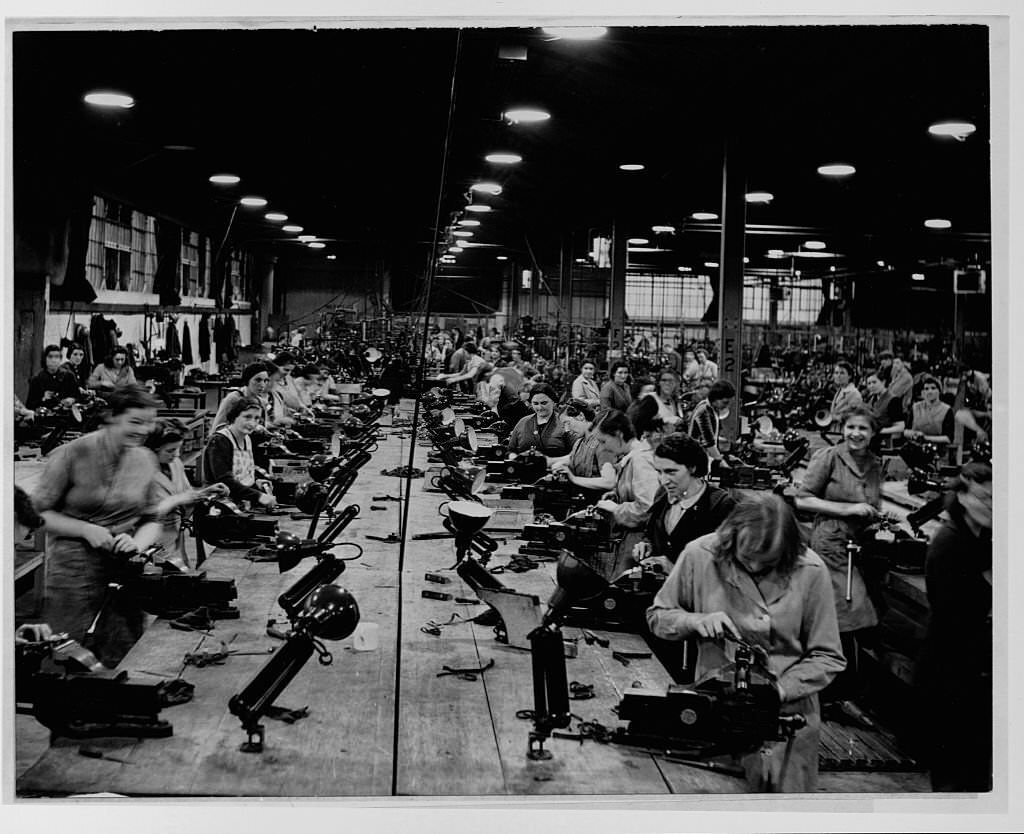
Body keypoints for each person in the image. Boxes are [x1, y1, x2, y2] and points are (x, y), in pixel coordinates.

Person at [646, 496, 846, 792]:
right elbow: (657, 616)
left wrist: (778, 691)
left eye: (766, 565)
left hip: (788, 720)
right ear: (731, 535)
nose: (753, 566)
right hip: (717, 714)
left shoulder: (811, 570)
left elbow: (828, 655)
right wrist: (695, 621)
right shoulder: (700, 555)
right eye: (746, 558)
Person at [31, 384, 164, 666]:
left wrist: (137, 543)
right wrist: (86, 530)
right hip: (73, 564)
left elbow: (152, 519)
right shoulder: (72, 453)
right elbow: (37, 515)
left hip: (124, 560)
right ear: (112, 417)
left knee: (124, 645)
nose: (143, 430)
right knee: (65, 646)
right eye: (135, 422)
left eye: (149, 423)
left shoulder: (146, 459)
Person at [793, 404, 882, 718]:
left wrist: (878, 518)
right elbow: (802, 498)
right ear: (842, 429)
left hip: (857, 546)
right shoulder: (829, 457)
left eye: (863, 429)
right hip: (829, 546)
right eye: (851, 428)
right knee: (849, 615)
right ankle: (830, 695)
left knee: (857, 617)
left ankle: (838, 693)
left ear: (873, 434)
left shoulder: (874, 464)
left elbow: (870, 502)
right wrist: (849, 510)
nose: (856, 434)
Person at [915, 461, 992, 792]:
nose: (991, 505)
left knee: (973, 768)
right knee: (954, 772)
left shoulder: (980, 540)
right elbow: (955, 614)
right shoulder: (949, 543)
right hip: (951, 669)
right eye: (983, 498)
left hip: (971, 667)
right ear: (961, 497)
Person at [633, 433, 737, 574]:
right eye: (659, 472)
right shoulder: (663, 494)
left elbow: (728, 567)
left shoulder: (721, 506)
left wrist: (674, 569)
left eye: (671, 472)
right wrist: (646, 545)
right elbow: (652, 532)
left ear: (692, 467)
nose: (664, 481)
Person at [591, 395, 664, 578]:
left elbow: (648, 507)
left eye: (603, 441)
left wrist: (616, 508)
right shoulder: (631, 459)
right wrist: (616, 495)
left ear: (619, 435)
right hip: (630, 540)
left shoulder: (640, 460)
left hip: (639, 544)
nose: (602, 448)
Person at [146, 418, 228, 570]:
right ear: (153, 448)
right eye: (170, 450)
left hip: (176, 541)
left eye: (178, 449)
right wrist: (178, 499)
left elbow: (186, 494)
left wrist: (205, 492)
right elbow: (142, 515)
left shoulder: (174, 463)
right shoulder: (140, 472)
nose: (176, 454)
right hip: (150, 543)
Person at [203, 397, 278, 509]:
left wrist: (255, 481)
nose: (252, 423)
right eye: (247, 417)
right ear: (234, 417)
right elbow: (225, 481)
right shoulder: (220, 441)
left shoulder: (247, 438)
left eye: (256, 418)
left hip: (243, 503)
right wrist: (259, 496)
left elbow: (242, 473)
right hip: (219, 505)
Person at [549, 408, 628, 497]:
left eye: (567, 423)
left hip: (600, 500)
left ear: (581, 416)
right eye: (564, 426)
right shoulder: (579, 443)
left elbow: (609, 482)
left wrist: (573, 478)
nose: (566, 430)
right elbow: (573, 462)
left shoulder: (601, 444)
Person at [506, 383, 577, 458]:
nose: (540, 407)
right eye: (535, 403)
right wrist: (515, 458)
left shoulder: (565, 423)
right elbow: (510, 451)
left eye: (544, 403)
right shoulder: (523, 422)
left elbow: (576, 454)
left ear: (553, 402)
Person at [688, 379, 736, 470]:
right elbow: (708, 443)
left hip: (705, 459)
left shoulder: (713, 410)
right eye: (725, 402)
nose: (727, 406)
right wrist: (721, 461)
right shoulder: (703, 410)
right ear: (716, 398)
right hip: (696, 461)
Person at [212, 362, 272, 432]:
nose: (262, 385)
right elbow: (218, 428)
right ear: (248, 380)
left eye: (265, 381)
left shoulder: (261, 402)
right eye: (258, 380)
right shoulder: (234, 399)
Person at [25, 344, 80, 411]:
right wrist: (43, 398)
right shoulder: (37, 379)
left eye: (57, 357)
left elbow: (79, 397)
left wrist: (72, 400)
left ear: (60, 359)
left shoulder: (68, 376)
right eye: (50, 357)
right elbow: (29, 406)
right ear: (45, 359)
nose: (53, 360)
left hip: (65, 416)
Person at [904, 375, 954, 445]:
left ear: (939, 391)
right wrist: (914, 434)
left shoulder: (946, 410)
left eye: (933, 388)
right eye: (926, 389)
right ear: (923, 392)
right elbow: (906, 431)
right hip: (915, 446)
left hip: (937, 448)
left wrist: (925, 438)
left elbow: (948, 438)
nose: (929, 391)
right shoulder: (915, 407)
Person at [862, 372, 905, 436]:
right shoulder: (870, 398)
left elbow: (900, 427)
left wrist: (880, 431)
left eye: (874, 382)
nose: (871, 386)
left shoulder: (893, 400)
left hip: (885, 439)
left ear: (883, 382)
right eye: (869, 384)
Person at [828, 361, 862, 428]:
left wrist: (838, 417)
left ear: (849, 376)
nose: (838, 376)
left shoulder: (853, 393)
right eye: (836, 373)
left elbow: (855, 415)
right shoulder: (840, 390)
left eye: (842, 373)